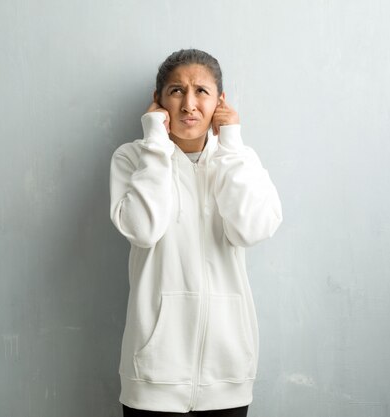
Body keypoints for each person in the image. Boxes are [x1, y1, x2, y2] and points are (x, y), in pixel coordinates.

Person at [109, 48, 283, 416]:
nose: (189, 104)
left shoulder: (241, 160)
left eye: (201, 91)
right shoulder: (131, 158)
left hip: (228, 376)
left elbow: (252, 229)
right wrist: (155, 144)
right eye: (176, 91)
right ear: (158, 102)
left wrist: (231, 147)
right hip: (153, 377)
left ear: (220, 101)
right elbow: (142, 229)